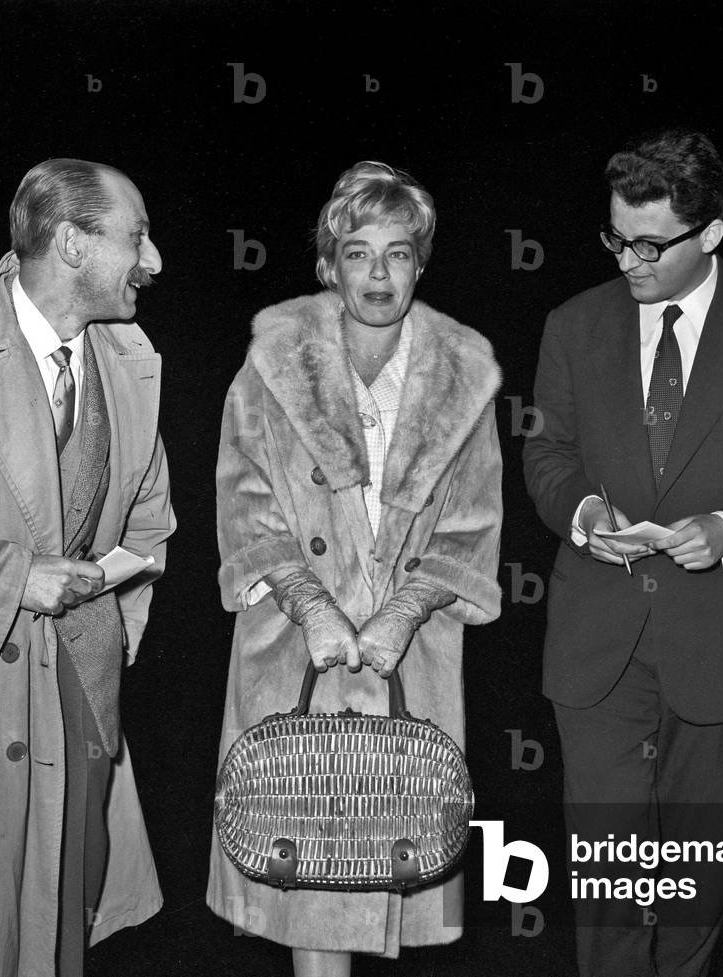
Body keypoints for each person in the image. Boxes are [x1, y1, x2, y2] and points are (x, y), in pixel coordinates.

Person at [522, 128, 723, 977]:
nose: (629, 261)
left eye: (651, 244)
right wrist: (583, 510)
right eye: (616, 238)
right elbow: (546, 454)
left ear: (712, 232)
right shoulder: (571, 325)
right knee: (609, 876)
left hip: (722, 642)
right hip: (598, 646)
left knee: (695, 877)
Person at [207, 160, 502, 975]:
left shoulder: (462, 377)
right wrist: (310, 603)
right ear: (328, 265)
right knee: (309, 876)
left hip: (409, 657)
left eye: (398, 253)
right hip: (294, 653)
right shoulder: (272, 366)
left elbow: (473, 523)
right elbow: (243, 501)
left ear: (420, 264)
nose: (378, 274)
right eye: (358, 252)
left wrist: (402, 612)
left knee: (392, 850)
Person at [0, 158, 174, 977]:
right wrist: (11, 578)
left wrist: (109, 632)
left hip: (83, 696)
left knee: (59, 922)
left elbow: (149, 519)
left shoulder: (130, 361)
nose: (153, 261)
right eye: (137, 237)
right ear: (73, 244)